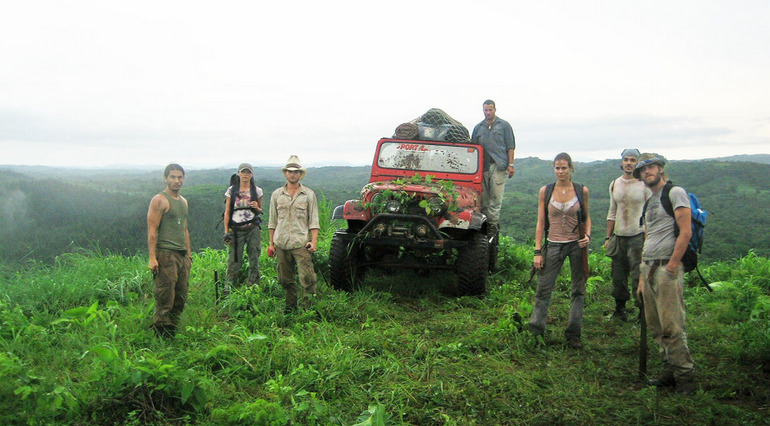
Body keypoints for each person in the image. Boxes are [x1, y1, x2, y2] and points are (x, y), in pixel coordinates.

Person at [634, 153, 696, 395]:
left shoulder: (675, 192)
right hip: (648, 267)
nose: (646, 172)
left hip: (665, 269)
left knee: (672, 326)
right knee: (656, 325)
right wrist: (641, 277)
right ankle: (669, 370)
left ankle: (685, 377)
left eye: (651, 167)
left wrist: (671, 266)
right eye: (642, 169)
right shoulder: (650, 201)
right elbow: (648, 238)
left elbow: (685, 231)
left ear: (660, 169)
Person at [529, 153, 591, 349]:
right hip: (553, 244)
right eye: (557, 167)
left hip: (576, 245)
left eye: (564, 167)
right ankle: (536, 331)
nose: (560, 171)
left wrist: (587, 235)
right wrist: (538, 251)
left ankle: (574, 334)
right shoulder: (545, 191)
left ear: (570, 168)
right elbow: (540, 222)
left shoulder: (582, 191)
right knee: (543, 289)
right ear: (554, 169)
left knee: (578, 290)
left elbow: (587, 218)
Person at [268, 155, 320, 313]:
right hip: (281, 243)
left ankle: (309, 311)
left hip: (300, 243)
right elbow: (272, 221)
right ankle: (290, 309)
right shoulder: (277, 195)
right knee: (285, 280)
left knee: (308, 279)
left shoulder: (308, 194)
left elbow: (314, 221)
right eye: (290, 171)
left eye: (296, 171)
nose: (292, 174)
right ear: (285, 173)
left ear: (300, 174)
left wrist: (314, 242)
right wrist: (271, 244)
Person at [605, 149, 652, 321]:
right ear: (622, 162)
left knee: (637, 275)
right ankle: (620, 310)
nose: (629, 163)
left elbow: (649, 214)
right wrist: (608, 237)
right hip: (619, 235)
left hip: (637, 235)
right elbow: (612, 212)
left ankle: (642, 312)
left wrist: (648, 238)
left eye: (633, 160)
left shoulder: (644, 185)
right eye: (626, 159)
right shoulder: (614, 184)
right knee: (618, 276)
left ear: (637, 163)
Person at [147, 164, 191, 338]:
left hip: (181, 254)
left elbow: (185, 229)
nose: (176, 181)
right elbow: (152, 230)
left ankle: (172, 328)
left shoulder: (184, 202)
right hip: (165, 253)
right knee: (165, 295)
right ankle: (160, 332)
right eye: (172, 177)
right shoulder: (159, 200)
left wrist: (188, 255)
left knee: (181, 295)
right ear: (166, 178)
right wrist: (152, 257)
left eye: (180, 177)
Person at [470, 99, 516, 234]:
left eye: (490, 110)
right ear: (483, 110)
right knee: (483, 199)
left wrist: (511, 165)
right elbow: (473, 147)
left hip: (499, 165)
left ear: (495, 110)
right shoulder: (478, 127)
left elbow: (510, 146)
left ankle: (492, 226)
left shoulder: (504, 125)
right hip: (482, 167)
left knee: (495, 198)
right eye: (486, 110)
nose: (488, 112)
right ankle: (482, 226)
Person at [224, 163, 264, 287]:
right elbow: (227, 211)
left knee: (254, 257)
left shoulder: (257, 190)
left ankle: (253, 286)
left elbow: (260, 210)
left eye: (248, 172)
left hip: (252, 228)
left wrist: (257, 207)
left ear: (252, 174)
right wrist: (226, 232)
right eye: (243, 172)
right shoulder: (232, 190)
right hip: (236, 229)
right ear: (239, 173)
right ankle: (229, 287)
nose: (245, 175)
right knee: (234, 259)